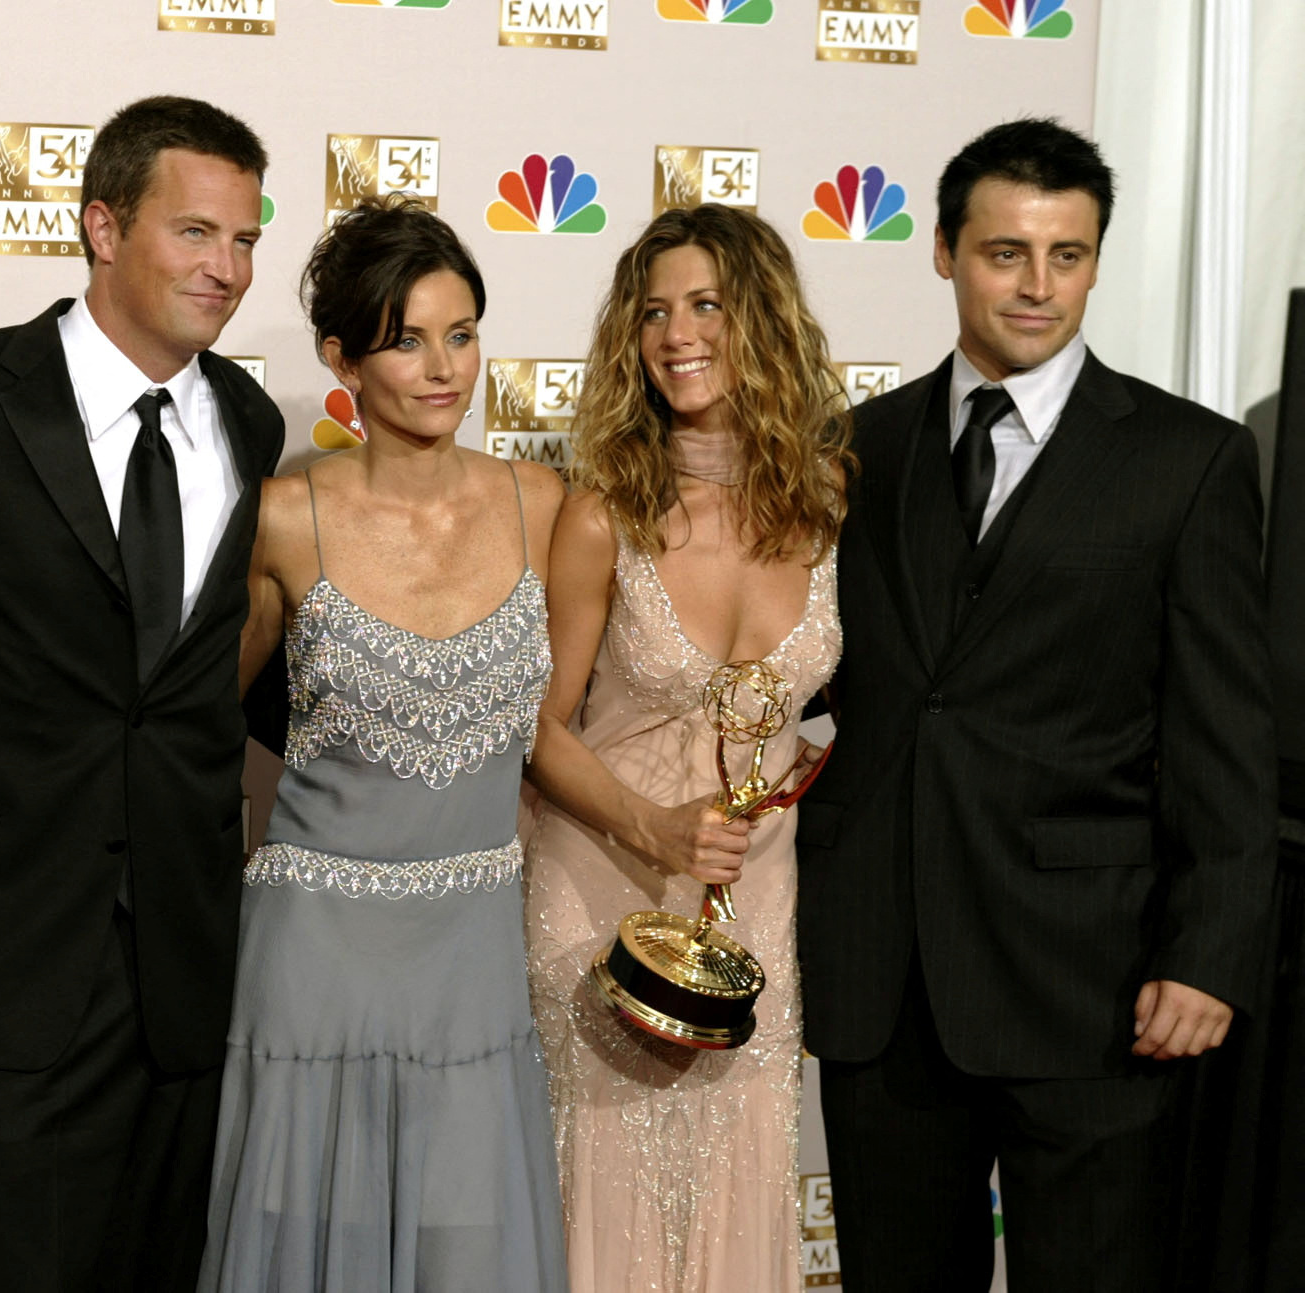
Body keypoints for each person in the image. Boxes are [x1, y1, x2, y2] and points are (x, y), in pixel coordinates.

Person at [794, 118, 1276, 1292]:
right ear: (944, 254)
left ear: (1096, 261)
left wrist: (1207, 954)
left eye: (1066, 255)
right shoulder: (855, 447)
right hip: (884, 977)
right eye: (1005, 252)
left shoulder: (1187, 460)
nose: (1036, 285)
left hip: (1093, 983)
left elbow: (1223, 738)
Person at [0, 96, 283, 1293]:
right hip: (2, 965)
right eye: (196, 233)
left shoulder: (248, 425)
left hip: (184, 978)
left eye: (245, 239)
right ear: (102, 226)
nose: (227, 268)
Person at [200, 196, 568, 1293]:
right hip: (313, 960)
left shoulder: (545, 506)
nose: (441, 368)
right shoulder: (278, 518)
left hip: (472, 961)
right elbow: (191, 730)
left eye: (459, 334)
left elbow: (572, 727)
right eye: (405, 339)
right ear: (338, 358)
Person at [522, 202, 850, 1291]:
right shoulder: (600, 512)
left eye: (704, 304)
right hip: (601, 879)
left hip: (755, 898)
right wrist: (652, 823)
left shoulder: (834, 501)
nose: (675, 334)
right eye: (652, 311)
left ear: (759, 317)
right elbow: (537, 726)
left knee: (740, 1173)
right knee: (606, 1190)